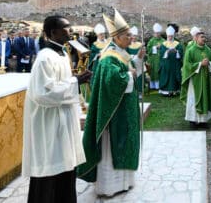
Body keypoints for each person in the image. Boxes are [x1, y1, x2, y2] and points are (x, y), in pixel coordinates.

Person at [23, 15, 90, 203]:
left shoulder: (62, 53)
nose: (70, 30)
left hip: (62, 120)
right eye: (66, 28)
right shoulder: (45, 58)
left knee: (65, 168)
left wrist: (78, 80)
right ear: (53, 32)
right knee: (51, 169)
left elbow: (61, 84)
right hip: (49, 124)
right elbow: (43, 93)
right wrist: (76, 81)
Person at [78, 10, 141, 197]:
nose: (131, 38)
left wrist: (138, 60)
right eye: (128, 35)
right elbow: (111, 81)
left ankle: (125, 181)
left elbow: (129, 69)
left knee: (126, 143)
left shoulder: (121, 52)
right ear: (118, 37)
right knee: (114, 145)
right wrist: (130, 75)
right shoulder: (108, 56)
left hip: (124, 107)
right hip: (114, 113)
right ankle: (110, 186)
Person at [181, 29, 211, 127]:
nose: (204, 39)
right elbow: (187, 65)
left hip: (206, 79)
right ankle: (193, 121)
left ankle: (204, 121)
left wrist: (209, 64)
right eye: (202, 37)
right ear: (196, 38)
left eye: (204, 37)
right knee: (193, 98)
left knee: (206, 97)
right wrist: (200, 64)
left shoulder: (208, 50)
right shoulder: (191, 50)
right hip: (195, 80)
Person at [158, 26, 183, 96]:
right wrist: (167, 52)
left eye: (171, 36)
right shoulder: (163, 44)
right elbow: (162, 54)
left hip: (175, 64)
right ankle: (166, 91)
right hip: (166, 65)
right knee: (166, 76)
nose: (170, 38)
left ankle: (175, 91)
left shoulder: (177, 44)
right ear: (167, 36)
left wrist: (177, 51)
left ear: (173, 36)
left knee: (174, 77)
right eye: (169, 36)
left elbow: (181, 52)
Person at [146, 23, 164, 90]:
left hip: (160, 60)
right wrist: (155, 47)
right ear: (154, 33)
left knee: (158, 72)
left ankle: (158, 86)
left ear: (160, 33)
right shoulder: (151, 41)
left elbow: (165, 49)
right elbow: (148, 49)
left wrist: (161, 47)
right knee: (152, 72)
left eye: (158, 33)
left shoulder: (163, 41)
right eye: (156, 33)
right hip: (152, 60)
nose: (157, 34)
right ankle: (152, 85)